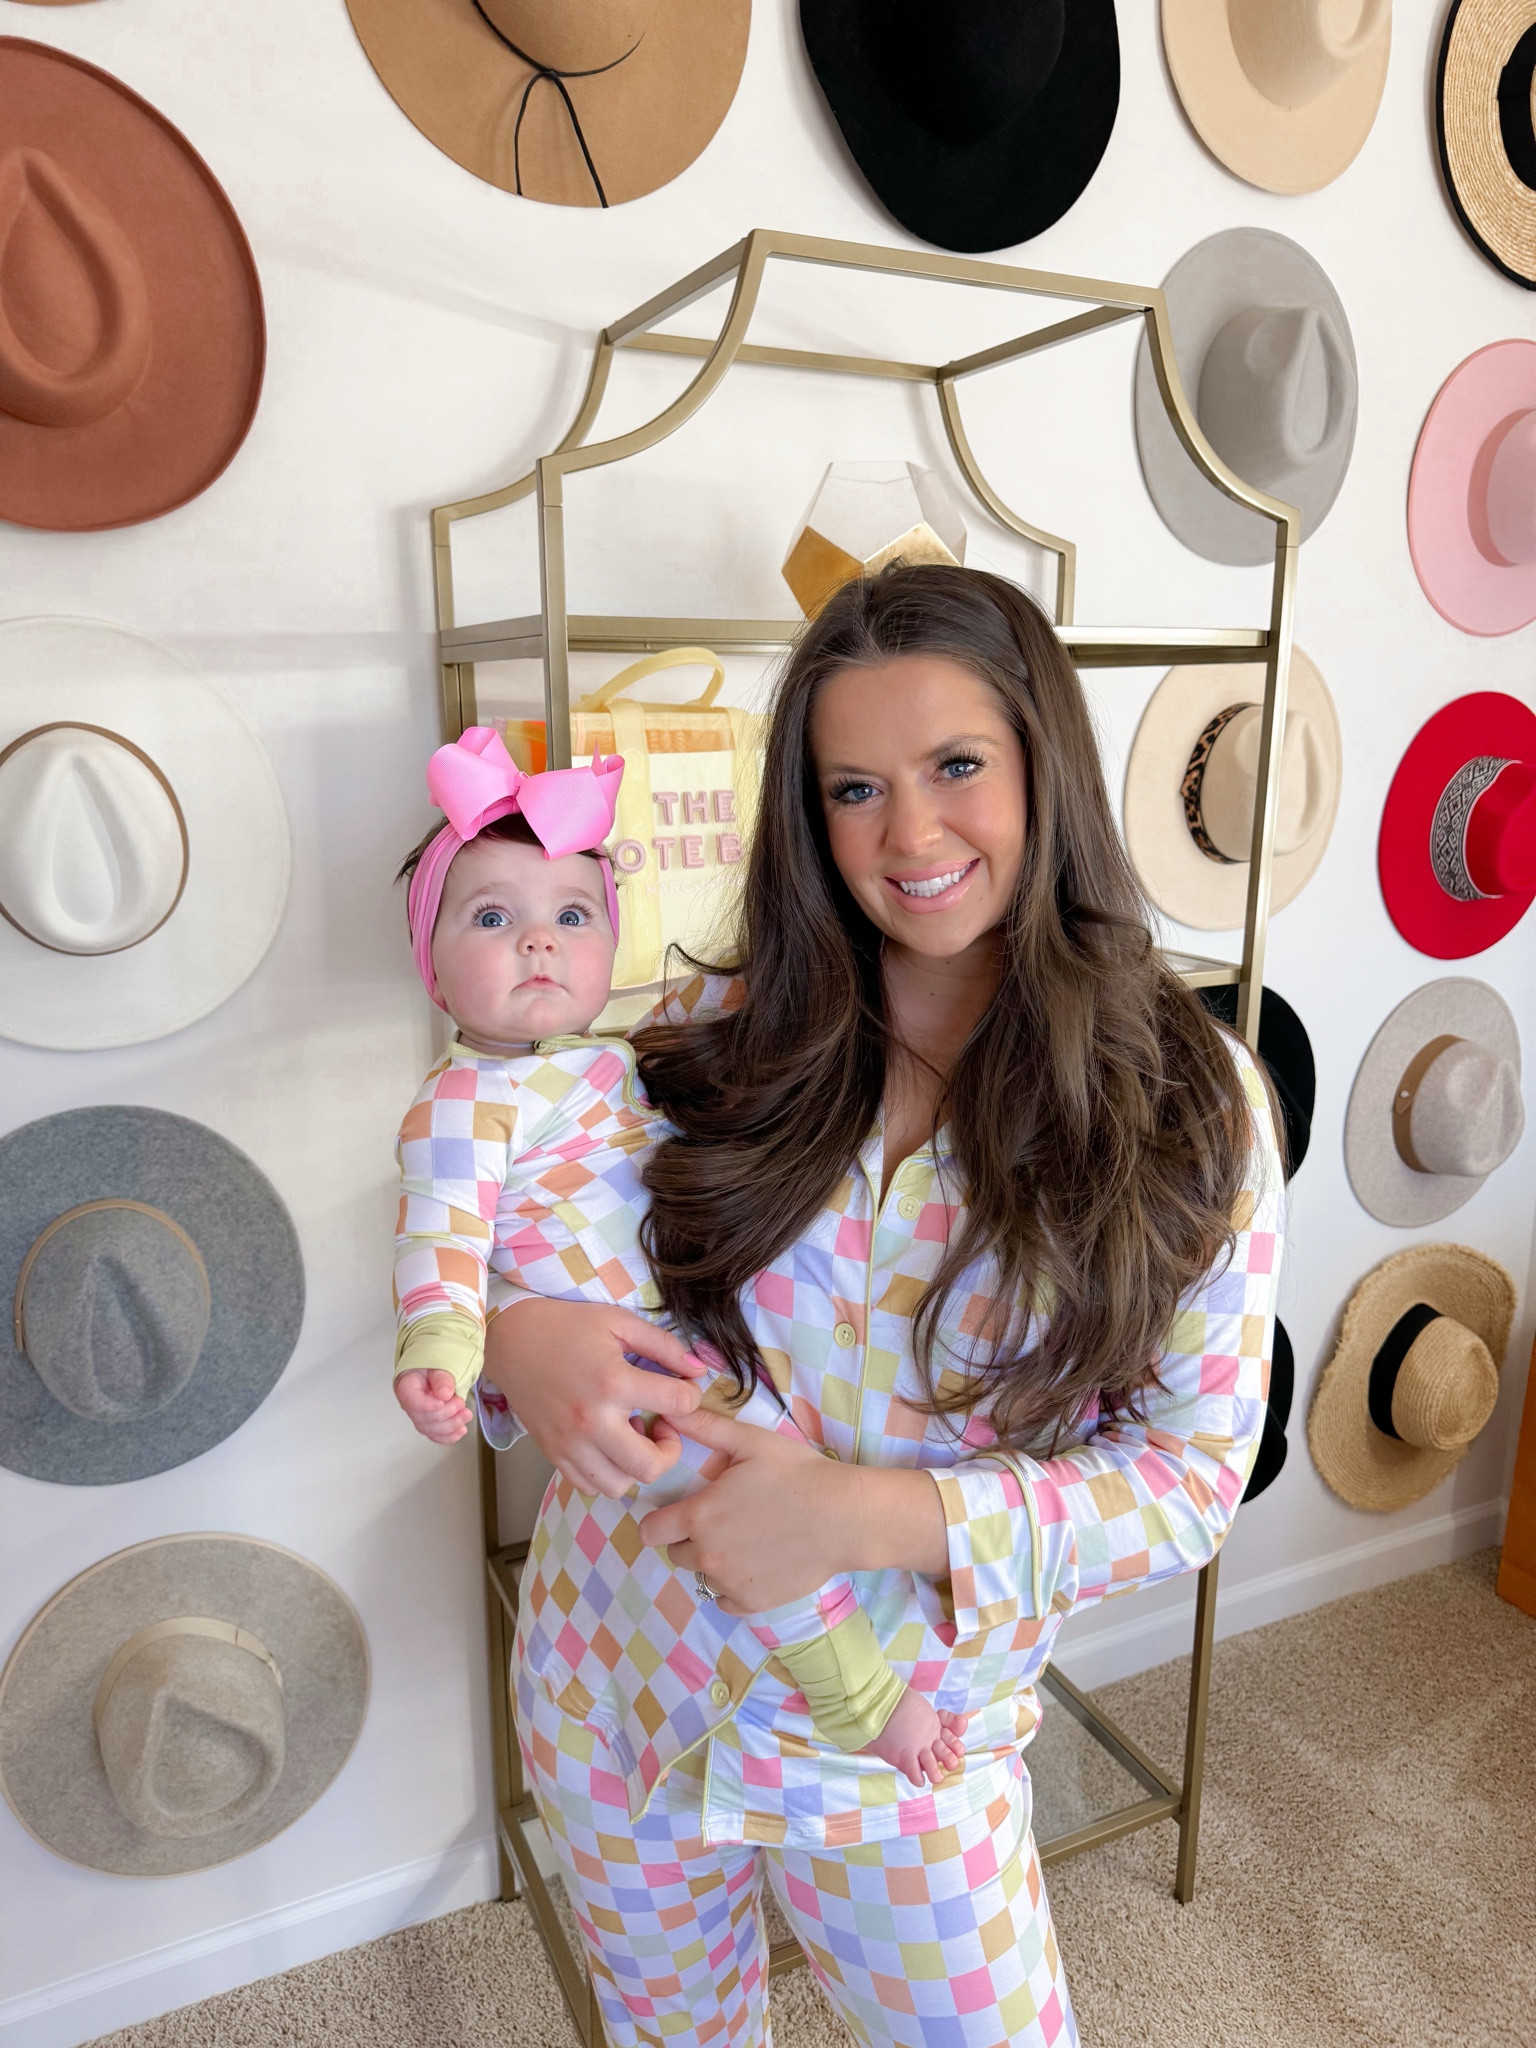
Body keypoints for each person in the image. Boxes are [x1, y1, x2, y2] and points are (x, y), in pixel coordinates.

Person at [487, 563, 1285, 2048]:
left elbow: (1187, 1485)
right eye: (854, 788)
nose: (909, 834)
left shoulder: (1193, 1104)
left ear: (1046, 765)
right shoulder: (699, 1041)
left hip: (905, 1750)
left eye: (957, 766)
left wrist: (862, 1517)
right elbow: (523, 1229)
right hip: (619, 1689)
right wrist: (513, 1337)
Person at [391, 726, 967, 1787]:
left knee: (767, 1475)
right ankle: (855, 1687)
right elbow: (441, 1232)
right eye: (492, 917)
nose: (537, 943)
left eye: (571, 915)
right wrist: (443, 1342)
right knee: (740, 1499)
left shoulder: (627, 1058)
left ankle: (871, 1637)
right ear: (431, 964)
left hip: (698, 1331)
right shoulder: (463, 1101)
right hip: (640, 1375)